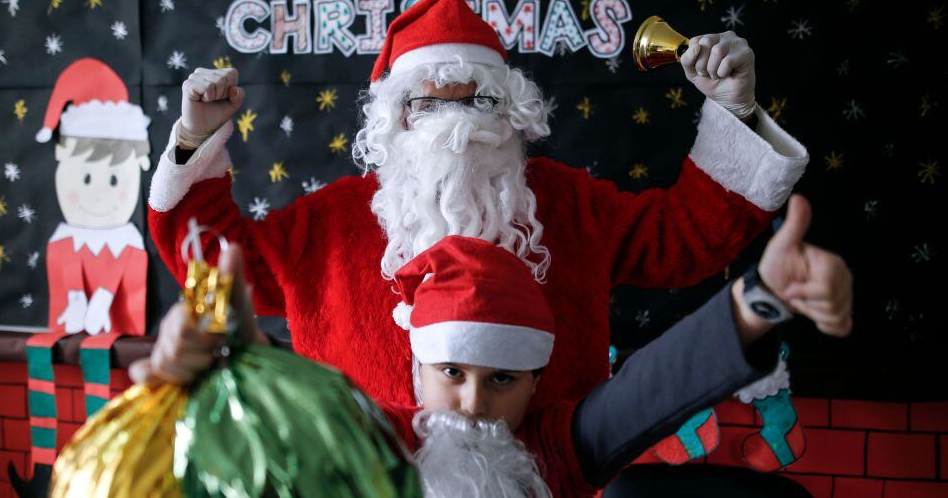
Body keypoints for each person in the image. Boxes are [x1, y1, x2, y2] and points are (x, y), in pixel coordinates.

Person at [146, 0, 810, 410]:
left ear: (511, 111)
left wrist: (734, 108)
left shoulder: (569, 205)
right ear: (391, 120)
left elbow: (684, 240)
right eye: (427, 102)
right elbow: (219, 266)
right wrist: (198, 139)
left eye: (475, 100)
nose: (452, 123)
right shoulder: (330, 222)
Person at [133, 194, 852, 497]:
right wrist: (234, 364)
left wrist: (756, 300)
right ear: (415, 366)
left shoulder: (555, 451)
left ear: (536, 381)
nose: (475, 403)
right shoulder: (382, 439)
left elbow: (651, 387)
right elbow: (309, 414)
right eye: (452, 372)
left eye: (502, 380)